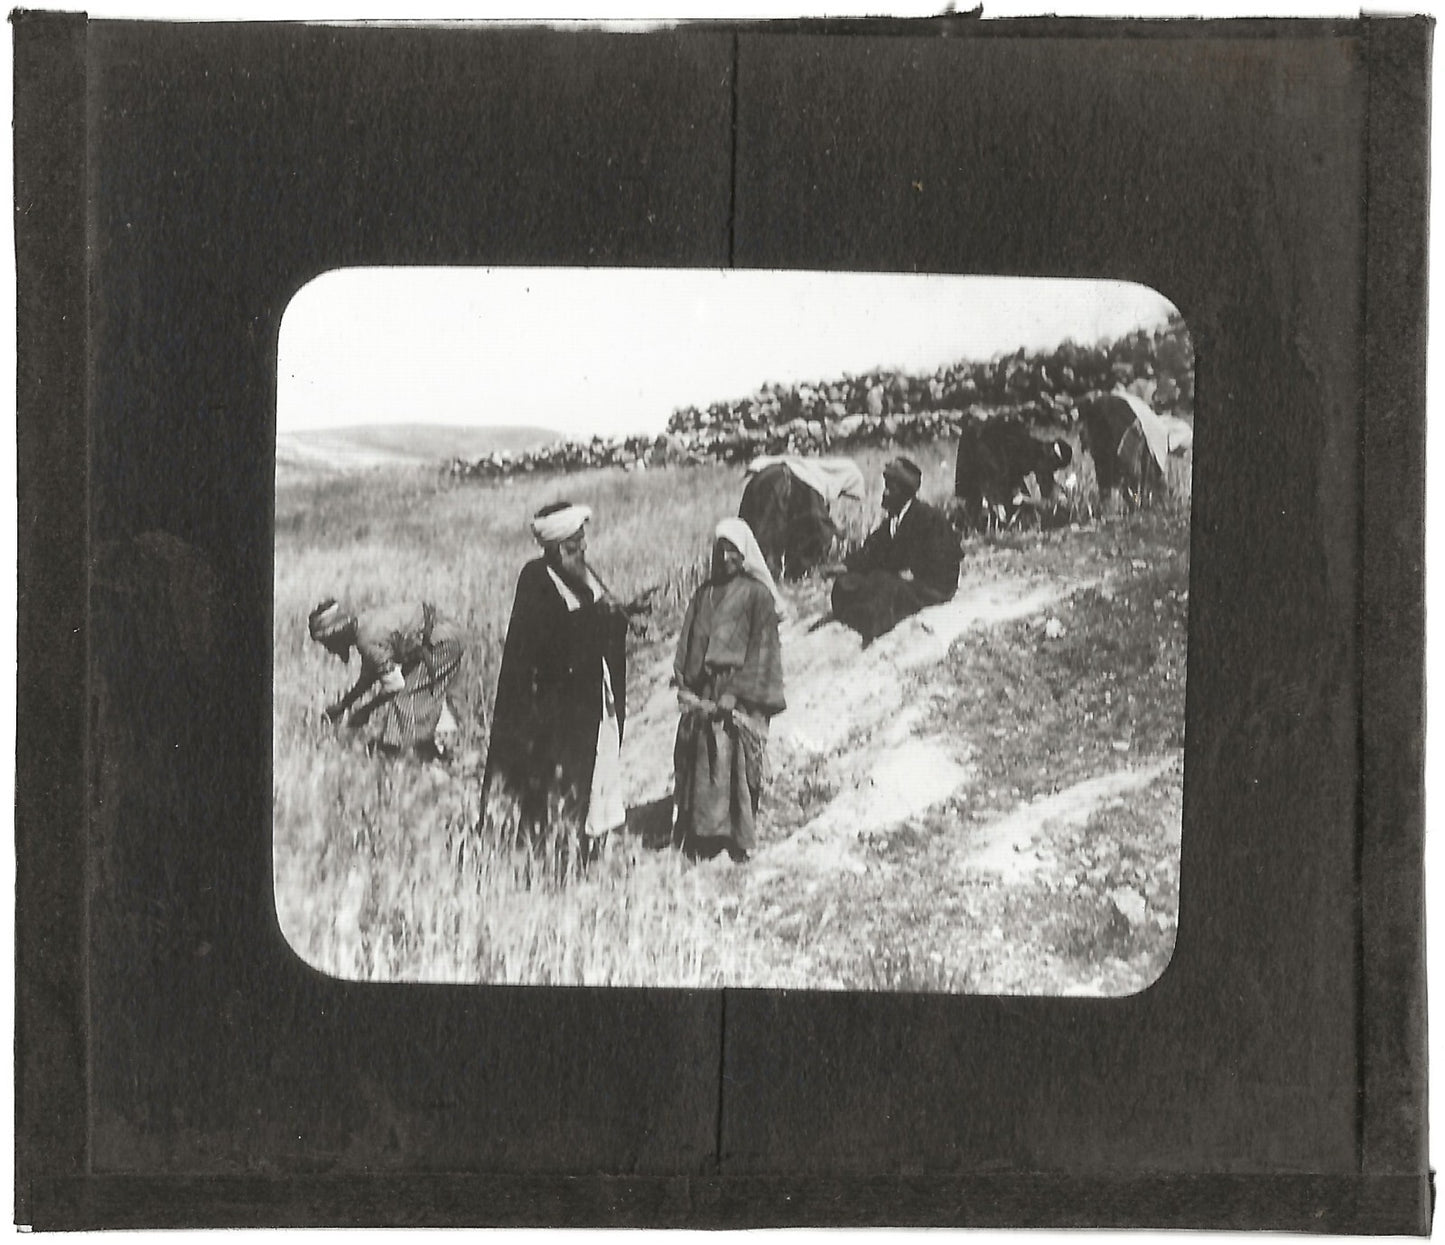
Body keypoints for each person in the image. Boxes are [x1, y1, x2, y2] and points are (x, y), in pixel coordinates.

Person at [480, 501, 646, 866]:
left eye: (583, 543)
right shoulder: (536, 580)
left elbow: (599, 618)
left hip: (591, 705)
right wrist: (594, 620)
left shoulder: (581, 576)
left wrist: (622, 616)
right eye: (575, 545)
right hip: (556, 719)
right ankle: (555, 862)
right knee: (560, 788)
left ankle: (587, 854)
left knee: (598, 773)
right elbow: (549, 648)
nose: (583, 551)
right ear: (557, 550)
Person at [672, 517, 787, 863]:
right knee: (702, 765)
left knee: (734, 766)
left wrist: (734, 693)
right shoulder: (703, 594)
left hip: (738, 696)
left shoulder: (757, 596)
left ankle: (735, 839)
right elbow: (688, 640)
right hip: (705, 693)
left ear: (745, 555)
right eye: (721, 551)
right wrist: (683, 679)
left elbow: (763, 650)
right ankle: (702, 838)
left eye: (733, 552)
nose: (726, 559)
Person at [308, 598, 465, 760]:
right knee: (414, 701)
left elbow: (394, 684)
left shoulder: (367, 640)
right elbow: (369, 675)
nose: (330, 650)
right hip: (442, 636)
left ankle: (400, 756)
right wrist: (343, 705)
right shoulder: (363, 626)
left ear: (336, 636)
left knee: (405, 702)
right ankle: (426, 753)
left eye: (327, 644)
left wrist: (366, 711)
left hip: (442, 642)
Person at [827, 456, 962, 644]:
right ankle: (861, 616)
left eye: (891, 489)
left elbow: (946, 560)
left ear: (905, 493)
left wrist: (909, 574)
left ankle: (869, 626)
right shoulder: (892, 521)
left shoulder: (927, 518)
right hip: (900, 582)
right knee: (846, 584)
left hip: (931, 587)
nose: (885, 494)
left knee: (884, 586)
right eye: (886, 487)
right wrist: (845, 566)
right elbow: (871, 551)